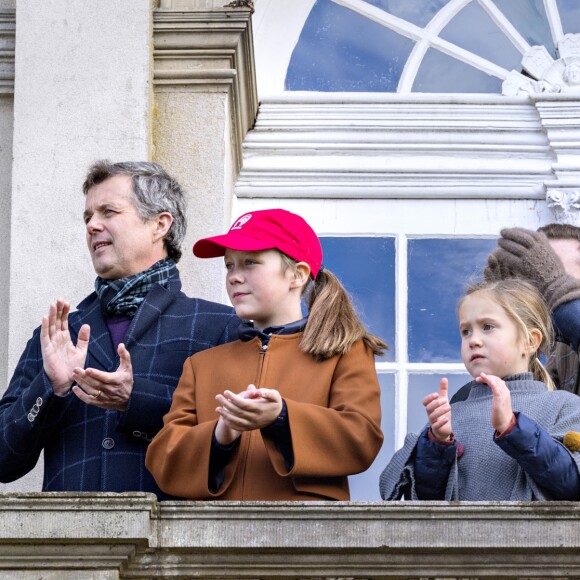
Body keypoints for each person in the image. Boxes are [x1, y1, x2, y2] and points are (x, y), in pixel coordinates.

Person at [0, 160, 239, 498]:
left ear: (159, 225)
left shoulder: (219, 326)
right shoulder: (60, 333)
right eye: (87, 217)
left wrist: (136, 400)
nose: (92, 225)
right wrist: (50, 388)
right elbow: (4, 460)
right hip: (69, 544)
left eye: (108, 212)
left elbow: (236, 441)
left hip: (172, 546)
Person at [145, 208, 385, 500]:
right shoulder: (200, 365)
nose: (234, 276)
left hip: (308, 536)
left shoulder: (346, 352)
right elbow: (163, 460)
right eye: (229, 265)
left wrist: (281, 418)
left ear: (297, 275)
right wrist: (220, 434)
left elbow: (361, 439)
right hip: (214, 540)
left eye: (250, 263)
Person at [380, 279, 580, 501]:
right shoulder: (451, 415)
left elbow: (571, 485)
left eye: (488, 327)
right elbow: (427, 502)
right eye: (466, 331)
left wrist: (513, 428)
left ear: (529, 341)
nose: (474, 340)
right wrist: (437, 444)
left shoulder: (565, 406)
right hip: (454, 537)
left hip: (534, 537)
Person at [452, 223, 580, 402]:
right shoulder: (553, 351)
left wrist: (557, 290)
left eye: (561, 277)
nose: (546, 299)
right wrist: (501, 303)